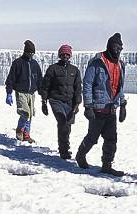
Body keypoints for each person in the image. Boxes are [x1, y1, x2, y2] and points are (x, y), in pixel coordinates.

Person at [75, 33, 127, 177]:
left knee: (111, 139)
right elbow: (88, 83)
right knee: (92, 137)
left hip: (111, 109)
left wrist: (123, 104)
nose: (119, 50)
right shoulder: (98, 62)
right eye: (117, 47)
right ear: (110, 46)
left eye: (121, 48)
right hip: (98, 107)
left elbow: (119, 87)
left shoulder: (120, 65)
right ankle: (80, 156)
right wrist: (88, 105)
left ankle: (107, 165)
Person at [40, 44, 82, 159]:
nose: (65, 56)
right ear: (59, 55)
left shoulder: (75, 70)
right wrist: (44, 102)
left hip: (70, 102)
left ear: (70, 55)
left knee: (67, 126)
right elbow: (45, 86)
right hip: (56, 100)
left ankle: (64, 147)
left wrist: (77, 103)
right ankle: (64, 150)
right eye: (63, 54)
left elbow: (78, 88)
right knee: (62, 120)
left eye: (67, 54)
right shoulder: (53, 69)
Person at [5, 40, 43, 143]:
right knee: (25, 112)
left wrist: (42, 92)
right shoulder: (18, 63)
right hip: (21, 92)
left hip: (31, 93)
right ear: (25, 51)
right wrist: (9, 93)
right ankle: (19, 129)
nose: (30, 55)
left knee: (30, 114)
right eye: (29, 53)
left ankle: (26, 134)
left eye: (32, 53)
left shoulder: (34, 64)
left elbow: (39, 79)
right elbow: (10, 79)